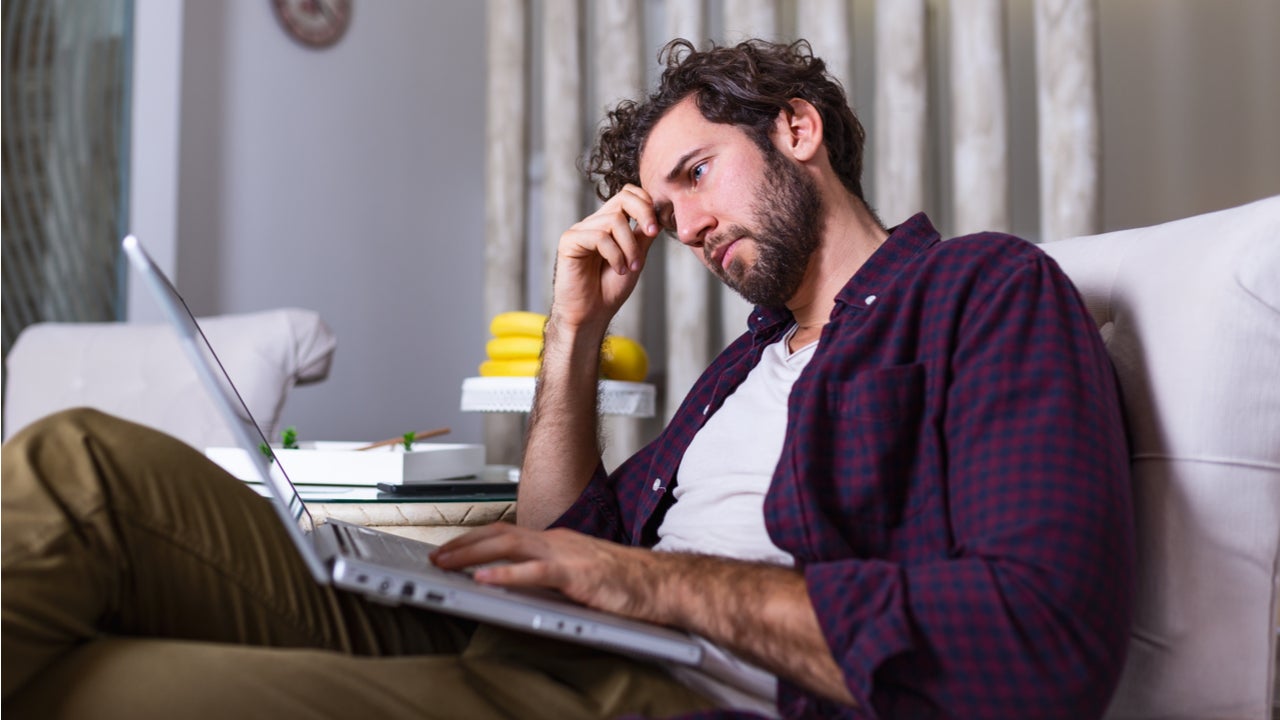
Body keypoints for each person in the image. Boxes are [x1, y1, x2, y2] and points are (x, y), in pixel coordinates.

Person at [2, 38, 1134, 719]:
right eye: (667, 200)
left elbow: (1036, 640)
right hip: (544, 650)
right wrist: (574, 329)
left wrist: (644, 583)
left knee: (96, 688)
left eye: (695, 175)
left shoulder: (980, 293)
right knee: (80, 458)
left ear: (798, 129)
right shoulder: (744, 365)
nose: (684, 225)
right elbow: (564, 537)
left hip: (670, 695)